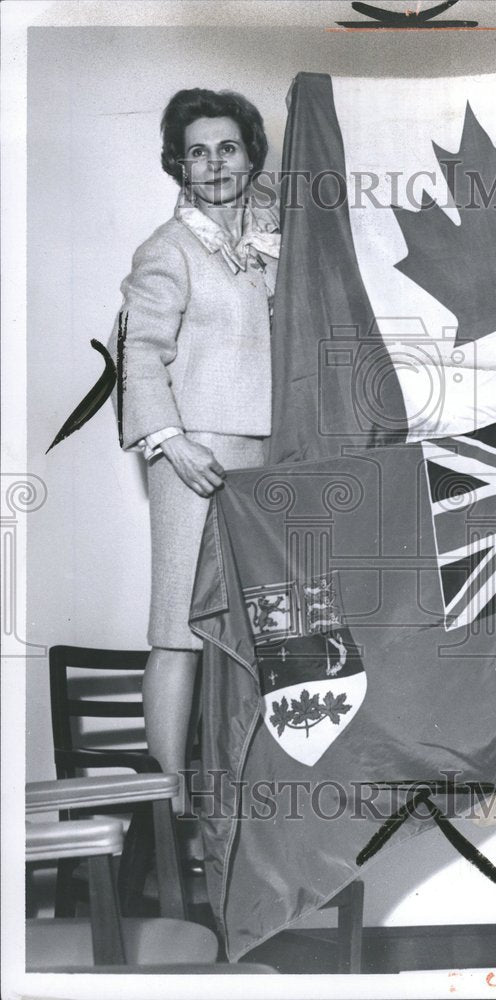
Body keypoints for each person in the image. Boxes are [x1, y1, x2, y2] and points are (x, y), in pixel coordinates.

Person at [110, 89, 280, 825]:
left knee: (270, 625)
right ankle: (169, 796)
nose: (215, 163)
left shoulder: (272, 244)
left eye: (229, 147)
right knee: (179, 629)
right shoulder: (166, 250)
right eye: (199, 151)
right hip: (195, 462)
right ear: (177, 163)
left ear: (251, 156)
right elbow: (139, 355)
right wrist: (171, 444)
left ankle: (257, 790)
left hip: (269, 459)